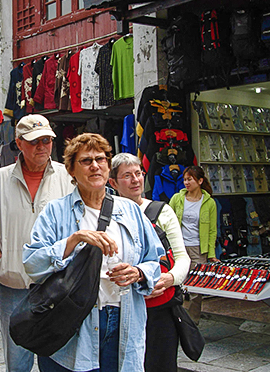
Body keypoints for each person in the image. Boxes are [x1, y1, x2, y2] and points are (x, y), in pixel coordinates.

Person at [23, 133, 164, 372]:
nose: (95, 166)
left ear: (108, 168)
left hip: (124, 321)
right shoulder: (56, 212)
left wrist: (138, 272)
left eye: (100, 159)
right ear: (71, 170)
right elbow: (32, 264)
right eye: (86, 161)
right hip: (72, 325)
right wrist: (73, 240)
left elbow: (154, 261)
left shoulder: (130, 210)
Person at [0, 114, 74, 372]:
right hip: (12, 284)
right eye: (34, 142)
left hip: (56, 284)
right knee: (17, 360)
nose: (42, 146)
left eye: (47, 140)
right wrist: (0, 261)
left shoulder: (68, 178)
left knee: (57, 358)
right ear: (19, 143)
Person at [108, 153, 190, 372]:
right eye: (127, 175)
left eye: (138, 173)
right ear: (113, 182)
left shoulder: (162, 212)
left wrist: (169, 278)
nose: (135, 180)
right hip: (120, 307)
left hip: (159, 308)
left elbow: (182, 258)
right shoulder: (104, 214)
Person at [169, 165, 218, 324]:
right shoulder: (177, 198)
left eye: (190, 179)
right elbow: (167, 222)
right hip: (179, 247)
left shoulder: (209, 203)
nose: (186, 182)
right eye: (184, 179)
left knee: (197, 287)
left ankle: (192, 321)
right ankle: (178, 318)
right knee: (178, 283)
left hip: (199, 248)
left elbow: (212, 230)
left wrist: (211, 254)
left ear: (200, 180)